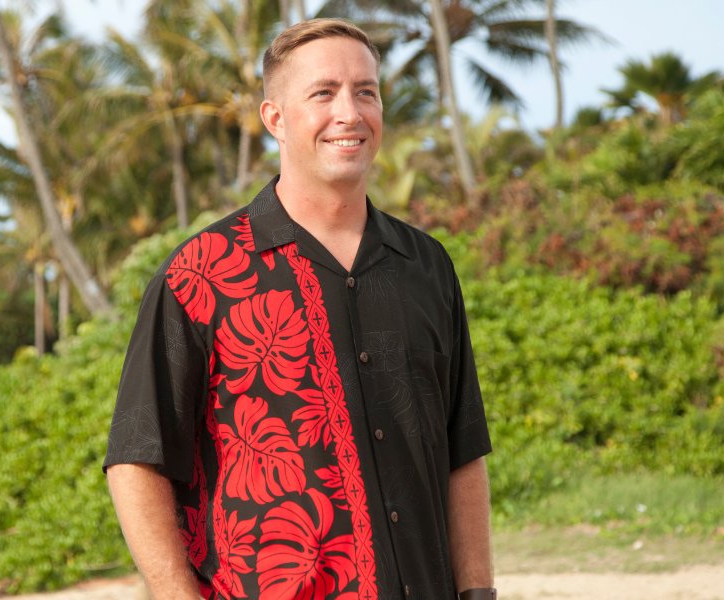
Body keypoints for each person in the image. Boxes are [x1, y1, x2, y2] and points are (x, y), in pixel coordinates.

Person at [104, 18, 495, 600]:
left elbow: (462, 450)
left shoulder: (427, 266)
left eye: (366, 92)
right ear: (275, 119)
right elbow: (137, 459)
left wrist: (479, 592)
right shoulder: (200, 275)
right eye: (323, 93)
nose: (349, 113)